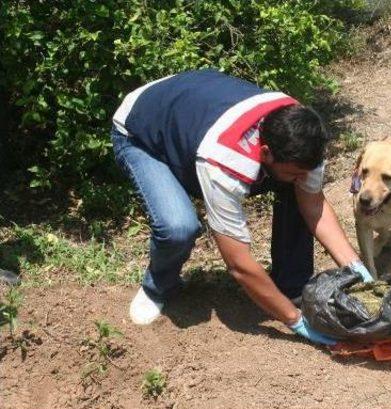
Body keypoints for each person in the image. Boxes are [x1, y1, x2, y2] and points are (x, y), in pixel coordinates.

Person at [111, 69, 373, 346]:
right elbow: (238, 264)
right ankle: (157, 287)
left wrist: (358, 272)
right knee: (178, 227)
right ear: (265, 153)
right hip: (142, 130)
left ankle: (292, 287)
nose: (303, 177)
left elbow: (314, 207)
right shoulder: (225, 162)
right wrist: (295, 321)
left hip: (193, 106)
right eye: (296, 172)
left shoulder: (302, 136)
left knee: (297, 190)